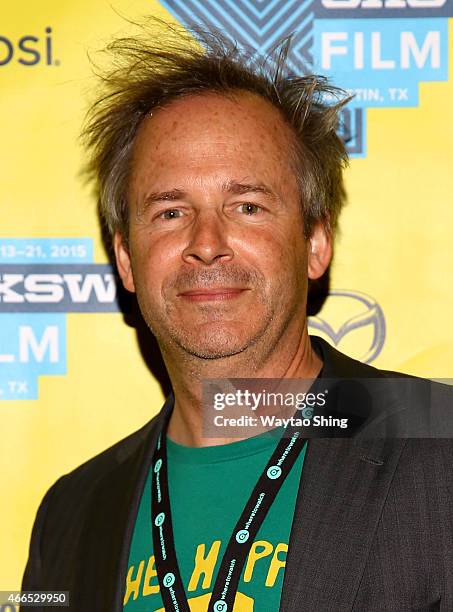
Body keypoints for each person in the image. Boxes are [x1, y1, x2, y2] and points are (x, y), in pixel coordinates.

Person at [21, 21, 453, 612]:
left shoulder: (441, 451)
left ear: (316, 242)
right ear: (126, 258)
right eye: (171, 212)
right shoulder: (71, 513)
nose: (207, 242)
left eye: (247, 206)